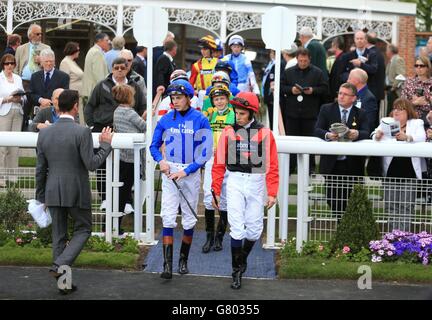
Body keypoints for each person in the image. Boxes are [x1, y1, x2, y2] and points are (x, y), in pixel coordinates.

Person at [35, 89, 113, 294]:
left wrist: (40, 196)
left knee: (59, 237)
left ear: (58, 106)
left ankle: (64, 284)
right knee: (84, 230)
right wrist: (105, 145)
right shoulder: (82, 131)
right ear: (76, 106)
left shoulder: (44, 132)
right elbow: (91, 164)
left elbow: (40, 169)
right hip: (76, 191)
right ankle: (59, 265)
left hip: (52, 190)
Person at [212, 91, 279, 290]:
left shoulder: (265, 133)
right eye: (236, 113)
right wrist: (215, 189)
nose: (238, 116)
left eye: (242, 113)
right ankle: (236, 270)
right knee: (237, 228)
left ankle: (242, 258)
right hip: (234, 181)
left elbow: (272, 165)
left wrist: (272, 191)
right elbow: (218, 164)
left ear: (251, 113)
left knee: (255, 230)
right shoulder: (228, 132)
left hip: (256, 182)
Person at [150, 79, 212, 279]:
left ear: (188, 98)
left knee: (189, 218)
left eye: (178, 98)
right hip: (170, 171)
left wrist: (187, 171)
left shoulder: (201, 119)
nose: (175, 101)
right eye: (173, 98)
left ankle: (183, 260)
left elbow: (205, 152)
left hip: (190, 173)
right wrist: (161, 161)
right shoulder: (166, 119)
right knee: (167, 216)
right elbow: (153, 145)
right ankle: (167, 265)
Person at [85, 57, 145, 210]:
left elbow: (142, 105)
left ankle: (125, 201)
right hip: (104, 128)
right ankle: (105, 197)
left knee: (126, 166)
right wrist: (92, 125)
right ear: (111, 68)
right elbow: (90, 105)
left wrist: (138, 120)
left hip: (127, 130)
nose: (119, 70)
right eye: (116, 67)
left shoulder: (134, 85)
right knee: (103, 163)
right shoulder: (102, 85)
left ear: (127, 69)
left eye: (122, 68)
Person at [314, 83, 370, 216]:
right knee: (331, 198)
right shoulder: (326, 109)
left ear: (353, 98)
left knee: (350, 199)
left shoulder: (361, 113)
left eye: (345, 94)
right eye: (340, 93)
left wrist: (357, 134)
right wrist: (328, 135)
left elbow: (367, 131)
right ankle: (341, 222)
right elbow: (317, 129)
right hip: (332, 163)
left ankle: (343, 226)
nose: (341, 96)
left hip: (352, 164)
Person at [372, 98, 426, 232]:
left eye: (400, 109)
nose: (396, 112)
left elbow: (421, 137)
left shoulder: (416, 123)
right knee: (391, 205)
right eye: (395, 108)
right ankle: (393, 235)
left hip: (409, 172)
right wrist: (377, 135)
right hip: (390, 172)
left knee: (406, 206)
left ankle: (404, 235)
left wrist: (407, 137)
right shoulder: (386, 121)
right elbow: (373, 134)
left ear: (408, 112)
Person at [280, 48, 328, 173]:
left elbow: (324, 88)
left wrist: (313, 90)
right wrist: (291, 90)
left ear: (309, 59)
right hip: (292, 113)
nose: (303, 63)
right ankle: (291, 167)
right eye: (300, 61)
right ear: (297, 59)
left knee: (310, 141)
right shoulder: (289, 72)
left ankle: (310, 167)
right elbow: (282, 87)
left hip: (310, 113)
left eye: (305, 61)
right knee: (291, 141)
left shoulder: (318, 73)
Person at [201, 85, 235, 253]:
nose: (219, 101)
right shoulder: (210, 114)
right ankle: (209, 237)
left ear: (227, 99)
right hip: (211, 159)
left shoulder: (234, 115)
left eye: (222, 98)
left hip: (228, 160)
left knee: (225, 198)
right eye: (216, 99)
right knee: (209, 195)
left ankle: (220, 237)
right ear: (212, 101)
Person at [113, 84, 147, 233]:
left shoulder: (117, 111)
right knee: (124, 192)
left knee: (122, 191)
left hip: (123, 156)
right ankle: (116, 224)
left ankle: (115, 222)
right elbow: (144, 126)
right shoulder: (129, 112)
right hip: (132, 158)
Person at [14, 24, 50, 130]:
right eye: (37, 34)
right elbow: (16, 67)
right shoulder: (21, 49)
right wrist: (17, 82)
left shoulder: (46, 48)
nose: (40, 36)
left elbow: (51, 67)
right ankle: (21, 133)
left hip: (39, 82)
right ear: (30, 36)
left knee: (38, 110)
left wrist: (41, 62)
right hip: (24, 82)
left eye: (41, 34)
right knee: (23, 110)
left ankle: (37, 132)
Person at [0, 54, 25, 185]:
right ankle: (1, 177)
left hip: (18, 112)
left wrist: (21, 98)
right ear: (3, 65)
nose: (9, 65)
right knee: (2, 147)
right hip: (3, 113)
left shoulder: (17, 78)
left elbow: (24, 96)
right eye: (7, 63)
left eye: (12, 63)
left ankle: (13, 176)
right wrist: (7, 99)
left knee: (14, 146)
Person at [400, 56, 432, 122]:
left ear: (427, 68)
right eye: (416, 65)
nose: (418, 68)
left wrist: (427, 102)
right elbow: (402, 103)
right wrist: (415, 103)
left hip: (428, 117)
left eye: (422, 66)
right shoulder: (409, 82)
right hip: (411, 117)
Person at [60, 42, 84, 124]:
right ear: (73, 50)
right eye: (78, 50)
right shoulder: (65, 62)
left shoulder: (73, 62)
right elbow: (64, 80)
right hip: (72, 97)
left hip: (78, 96)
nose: (79, 52)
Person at [81, 33, 110, 101]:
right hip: (94, 92)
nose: (109, 42)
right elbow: (99, 75)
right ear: (100, 41)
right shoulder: (97, 53)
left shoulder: (93, 50)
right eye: (107, 40)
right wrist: (104, 92)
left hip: (90, 91)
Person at [385, 44, 406, 113]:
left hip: (395, 91)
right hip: (390, 89)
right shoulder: (391, 61)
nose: (386, 52)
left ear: (390, 51)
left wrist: (393, 88)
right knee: (390, 110)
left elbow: (401, 75)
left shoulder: (398, 59)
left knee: (394, 111)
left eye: (387, 50)